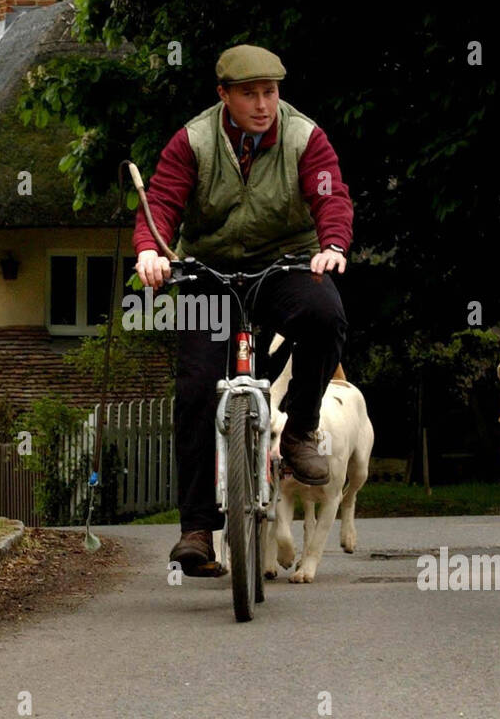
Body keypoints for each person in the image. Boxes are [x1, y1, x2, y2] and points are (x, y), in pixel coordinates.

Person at [133, 45, 354, 576]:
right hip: (208, 270)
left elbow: (330, 195)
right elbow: (161, 200)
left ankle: (299, 429)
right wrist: (149, 249)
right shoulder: (193, 140)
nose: (262, 104)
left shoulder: (305, 137)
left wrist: (333, 245)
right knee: (193, 386)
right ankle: (197, 530)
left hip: (284, 266)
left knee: (326, 316)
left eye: (270, 92)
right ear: (223, 96)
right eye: (250, 94)